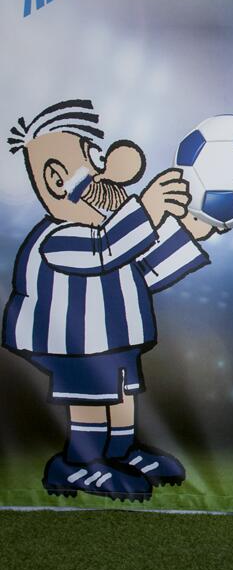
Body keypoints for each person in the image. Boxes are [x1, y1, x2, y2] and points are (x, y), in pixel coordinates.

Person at [3, 99, 217, 502]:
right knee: (89, 395)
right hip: (74, 343)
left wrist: (188, 233)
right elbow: (105, 250)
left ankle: (120, 452)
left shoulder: (108, 234)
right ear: (55, 179)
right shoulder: (59, 236)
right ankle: (79, 462)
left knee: (120, 392)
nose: (107, 173)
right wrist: (148, 209)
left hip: (113, 340)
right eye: (93, 159)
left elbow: (143, 270)